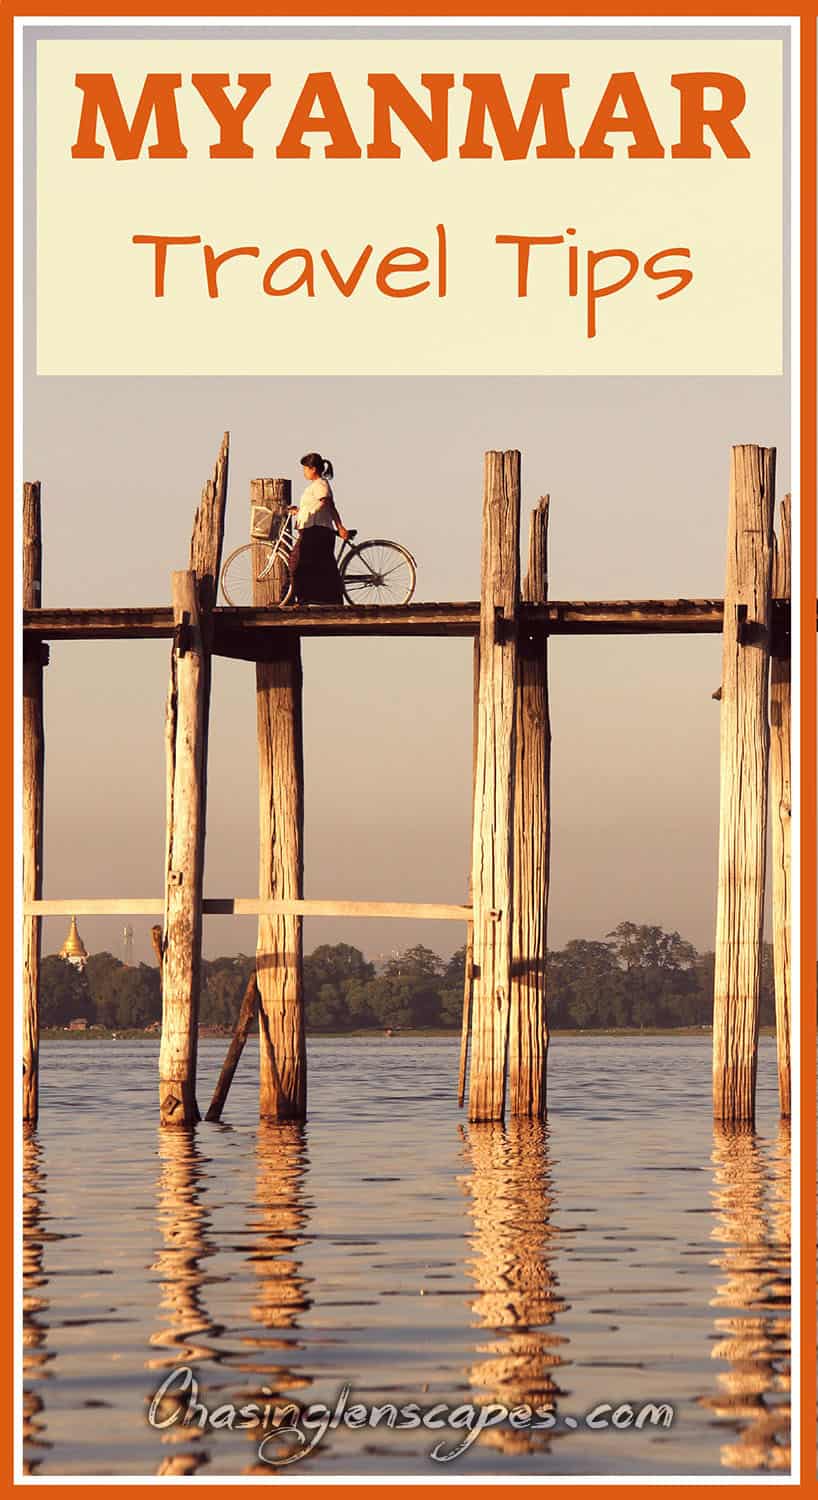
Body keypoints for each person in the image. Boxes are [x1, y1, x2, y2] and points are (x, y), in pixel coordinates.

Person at [287, 452, 350, 604]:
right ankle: (309, 599)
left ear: (313, 469)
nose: (304, 472)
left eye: (305, 469)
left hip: (316, 531)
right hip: (313, 530)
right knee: (315, 566)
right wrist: (299, 511)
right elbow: (315, 507)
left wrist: (340, 527)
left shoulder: (320, 485)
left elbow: (328, 505)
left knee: (297, 563)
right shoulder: (315, 486)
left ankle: (294, 599)